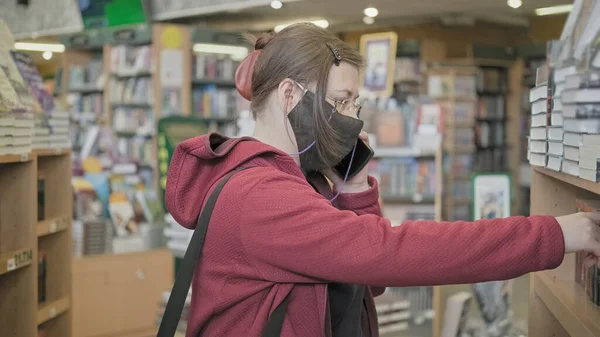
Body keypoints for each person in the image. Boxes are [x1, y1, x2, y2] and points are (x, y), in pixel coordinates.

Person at [165, 23, 600, 337]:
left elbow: (366, 282)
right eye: (341, 101)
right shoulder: (261, 197)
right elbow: (393, 254)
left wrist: (353, 188)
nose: (353, 118)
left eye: (355, 104)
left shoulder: (297, 179)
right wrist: (553, 234)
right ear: (290, 96)